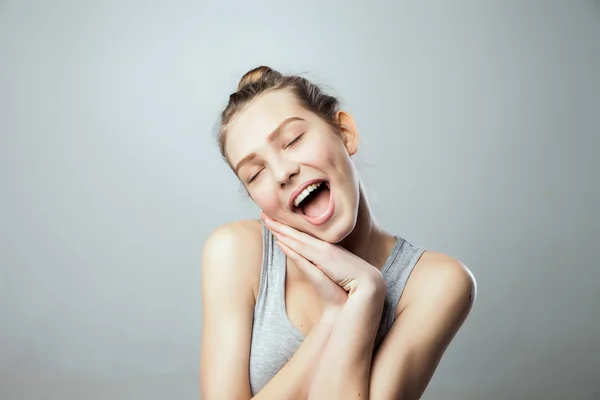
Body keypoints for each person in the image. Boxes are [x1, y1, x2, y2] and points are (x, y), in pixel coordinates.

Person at [200, 65, 477, 400]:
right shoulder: (236, 253)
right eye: (255, 173)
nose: (283, 172)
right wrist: (335, 315)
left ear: (345, 132)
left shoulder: (436, 283)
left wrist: (367, 294)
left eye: (294, 140)